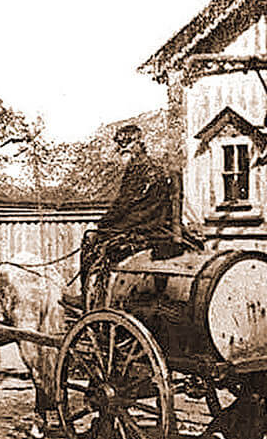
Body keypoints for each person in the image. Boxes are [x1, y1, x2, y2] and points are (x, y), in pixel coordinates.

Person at [77, 124, 197, 307]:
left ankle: (86, 298)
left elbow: (122, 203)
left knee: (89, 240)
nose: (121, 150)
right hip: (157, 225)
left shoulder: (137, 168)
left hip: (139, 225)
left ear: (136, 144)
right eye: (120, 146)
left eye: (124, 145)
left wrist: (102, 224)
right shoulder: (158, 168)